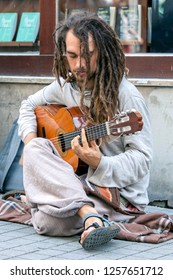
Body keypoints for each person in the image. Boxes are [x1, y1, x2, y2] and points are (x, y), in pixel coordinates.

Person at [17, 11, 153, 250]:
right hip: (80, 184)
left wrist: (100, 163)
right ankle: (88, 214)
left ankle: (46, 199)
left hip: (118, 195)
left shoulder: (127, 96)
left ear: (102, 51)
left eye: (87, 55)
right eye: (72, 56)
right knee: (37, 146)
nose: (79, 64)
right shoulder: (66, 87)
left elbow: (142, 161)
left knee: (44, 220)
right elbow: (28, 105)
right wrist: (29, 142)